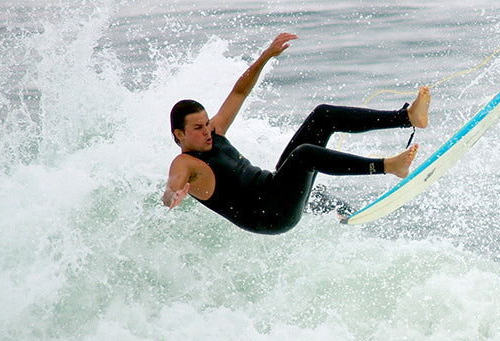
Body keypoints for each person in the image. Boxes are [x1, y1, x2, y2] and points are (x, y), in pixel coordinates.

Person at [163, 32, 430, 234]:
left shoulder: (215, 132)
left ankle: (407, 118)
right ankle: (388, 166)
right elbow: (172, 185)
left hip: (276, 187)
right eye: (198, 128)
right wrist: (173, 196)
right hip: (271, 216)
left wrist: (265, 56)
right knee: (304, 156)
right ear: (180, 135)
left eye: (206, 123)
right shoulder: (186, 163)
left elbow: (239, 92)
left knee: (323, 116)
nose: (207, 131)